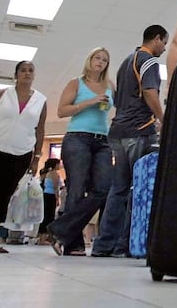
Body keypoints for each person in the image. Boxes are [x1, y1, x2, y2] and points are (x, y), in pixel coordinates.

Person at [90, 26, 167, 258]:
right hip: (139, 130)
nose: (164, 48)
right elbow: (150, 92)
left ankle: (103, 245)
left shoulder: (126, 61)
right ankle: (126, 245)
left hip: (118, 131)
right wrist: (164, 119)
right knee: (139, 189)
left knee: (118, 189)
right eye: (164, 43)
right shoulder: (149, 61)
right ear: (156, 39)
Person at [47, 47, 115, 257]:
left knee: (103, 188)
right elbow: (61, 111)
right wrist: (89, 102)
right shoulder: (76, 82)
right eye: (97, 58)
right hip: (78, 138)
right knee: (76, 189)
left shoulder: (110, 85)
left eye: (105, 60)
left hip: (102, 140)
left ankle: (59, 229)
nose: (100, 62)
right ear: (89, 60)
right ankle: (73, 244)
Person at [0, 60, 47, 253]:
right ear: (16, 75)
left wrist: (36, 157)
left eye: (30, 70)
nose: (27, 73)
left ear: (34, 75)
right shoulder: (1, 94)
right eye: (23, 70)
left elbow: (40, 130)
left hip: (20, 154)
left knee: (3, 196)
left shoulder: (41, 100)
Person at [37, 159, 62, 245]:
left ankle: (41, 237)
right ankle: (44, 238)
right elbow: (55, 187)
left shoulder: (46, 173)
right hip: (51, 196)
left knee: (45, 215)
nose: (60, 166)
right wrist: (57, 198)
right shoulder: (54, 174)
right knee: (49, 216)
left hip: (45, 195)